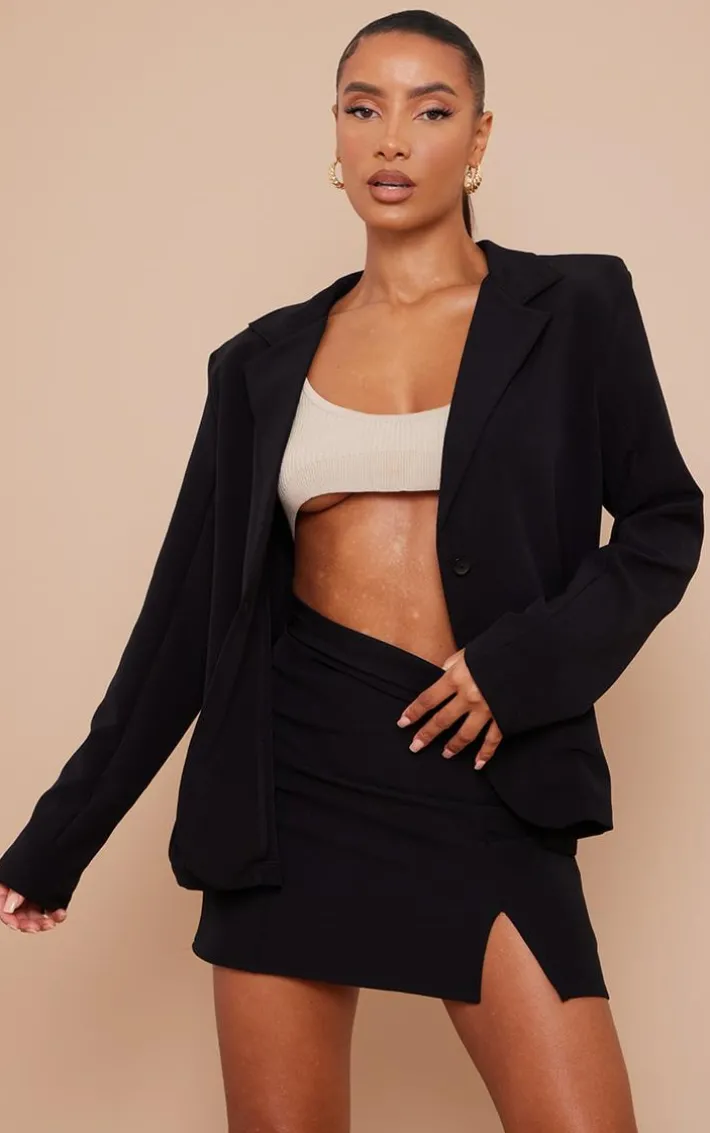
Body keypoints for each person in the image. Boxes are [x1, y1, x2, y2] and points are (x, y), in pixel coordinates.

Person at [0, 10, 703, 1131]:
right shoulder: (259, 360)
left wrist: (522, 668)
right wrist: (55, 841)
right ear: (334, 134)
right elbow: (182, 622)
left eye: (431, 109)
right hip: (292, 782)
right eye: (363, 107)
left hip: (486, 761)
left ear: (478, 138)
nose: (392, 137)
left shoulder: (574, 309)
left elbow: (665, 520)